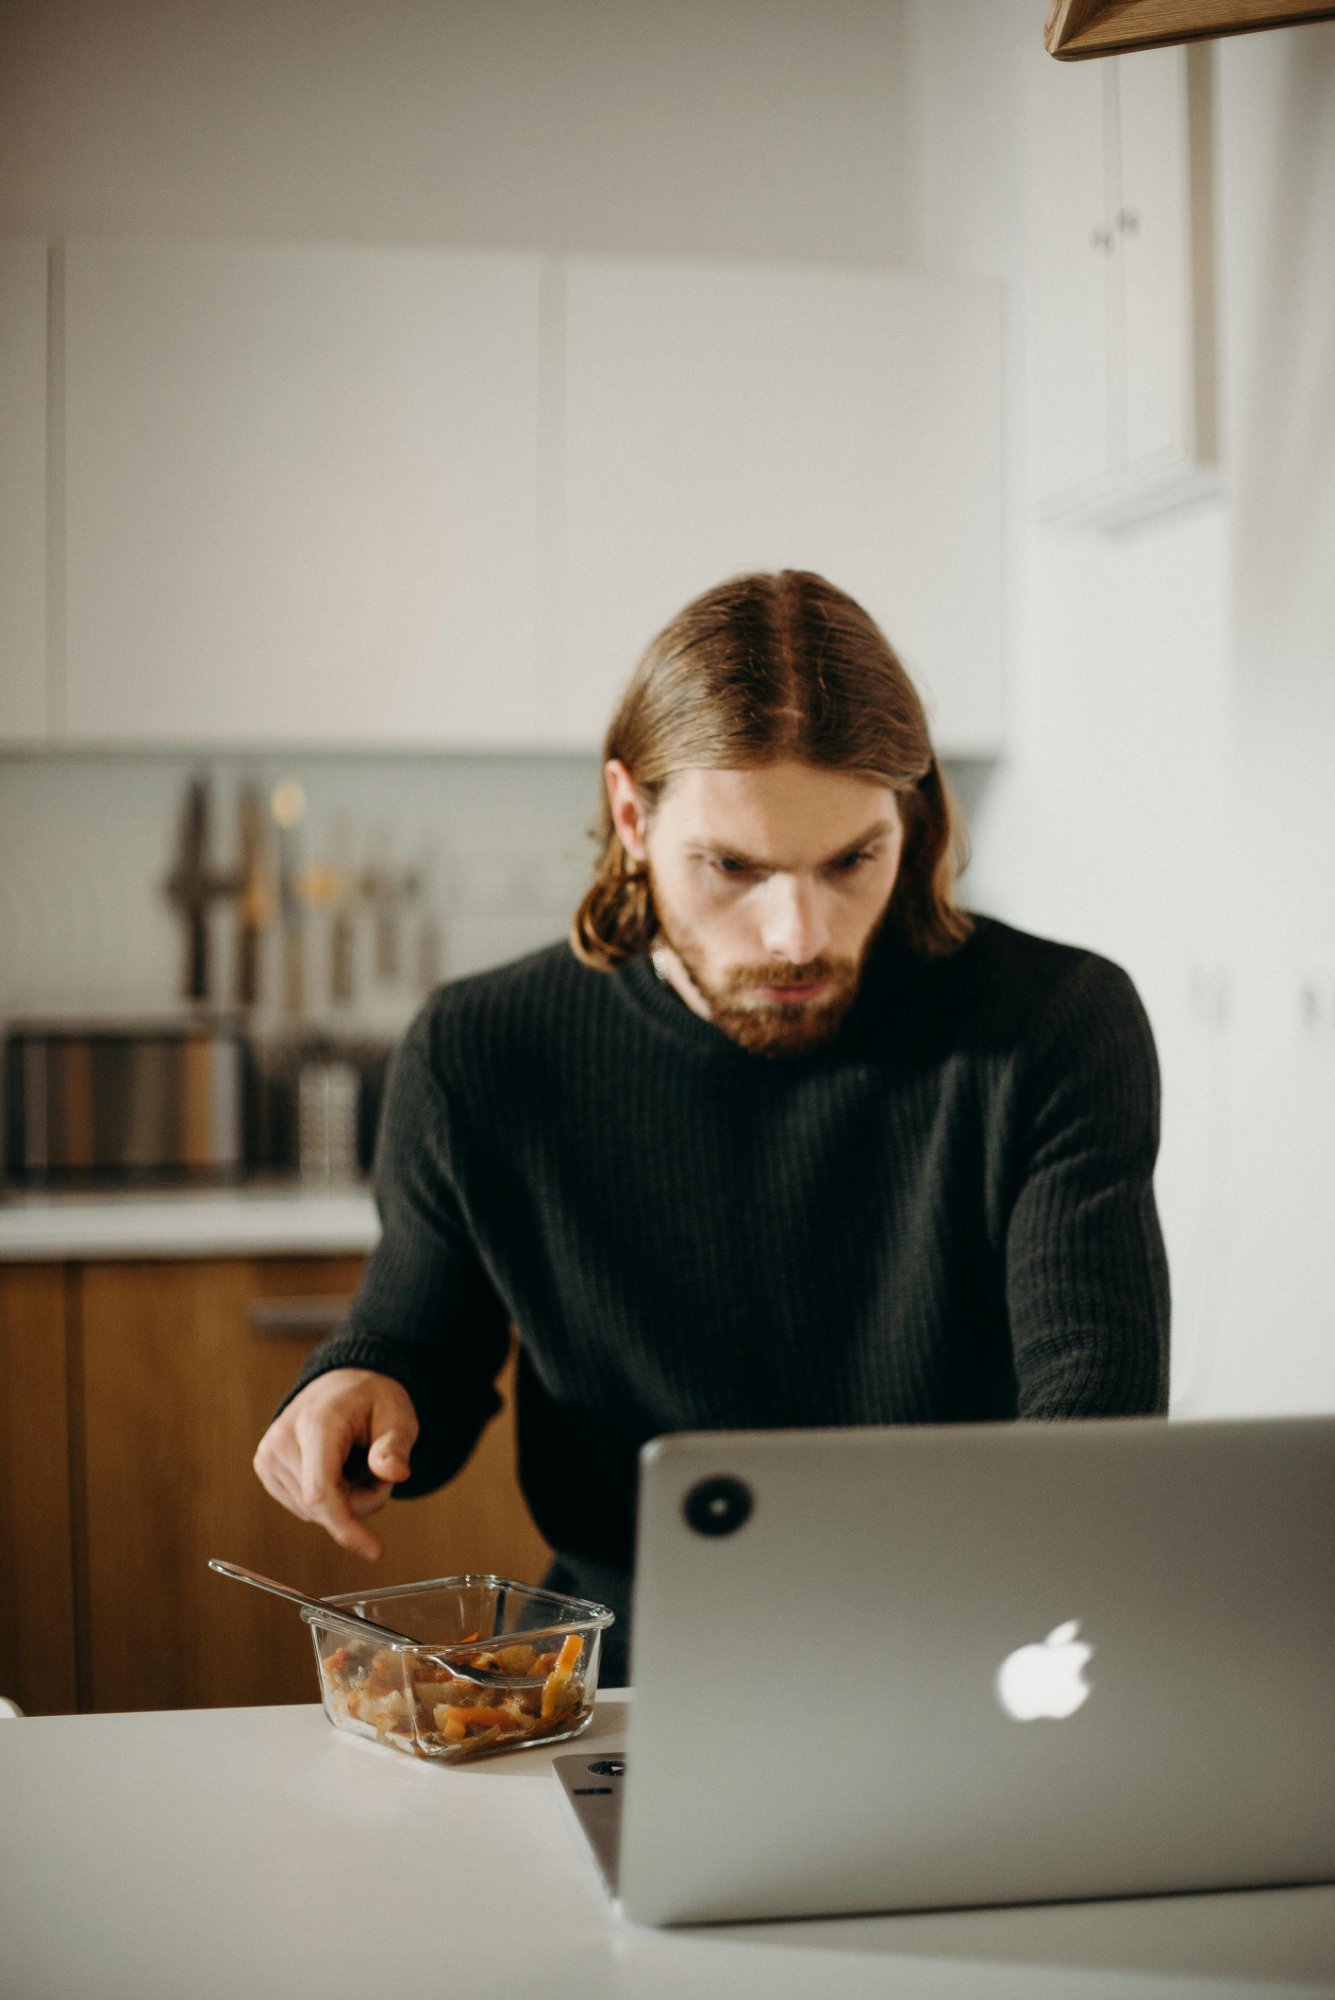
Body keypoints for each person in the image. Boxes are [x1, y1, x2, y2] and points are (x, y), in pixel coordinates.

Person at [254, 570, 1169, 1684]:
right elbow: (419, 1348)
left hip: (972, 1650)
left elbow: (1095, 1411)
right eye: (733, 866)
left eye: (851, 860)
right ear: (634, 816)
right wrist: (362, 1390)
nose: (797, 933)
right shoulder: (482, 1049)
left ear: (911, 815)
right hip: (629, 1669)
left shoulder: (1053, 1025)